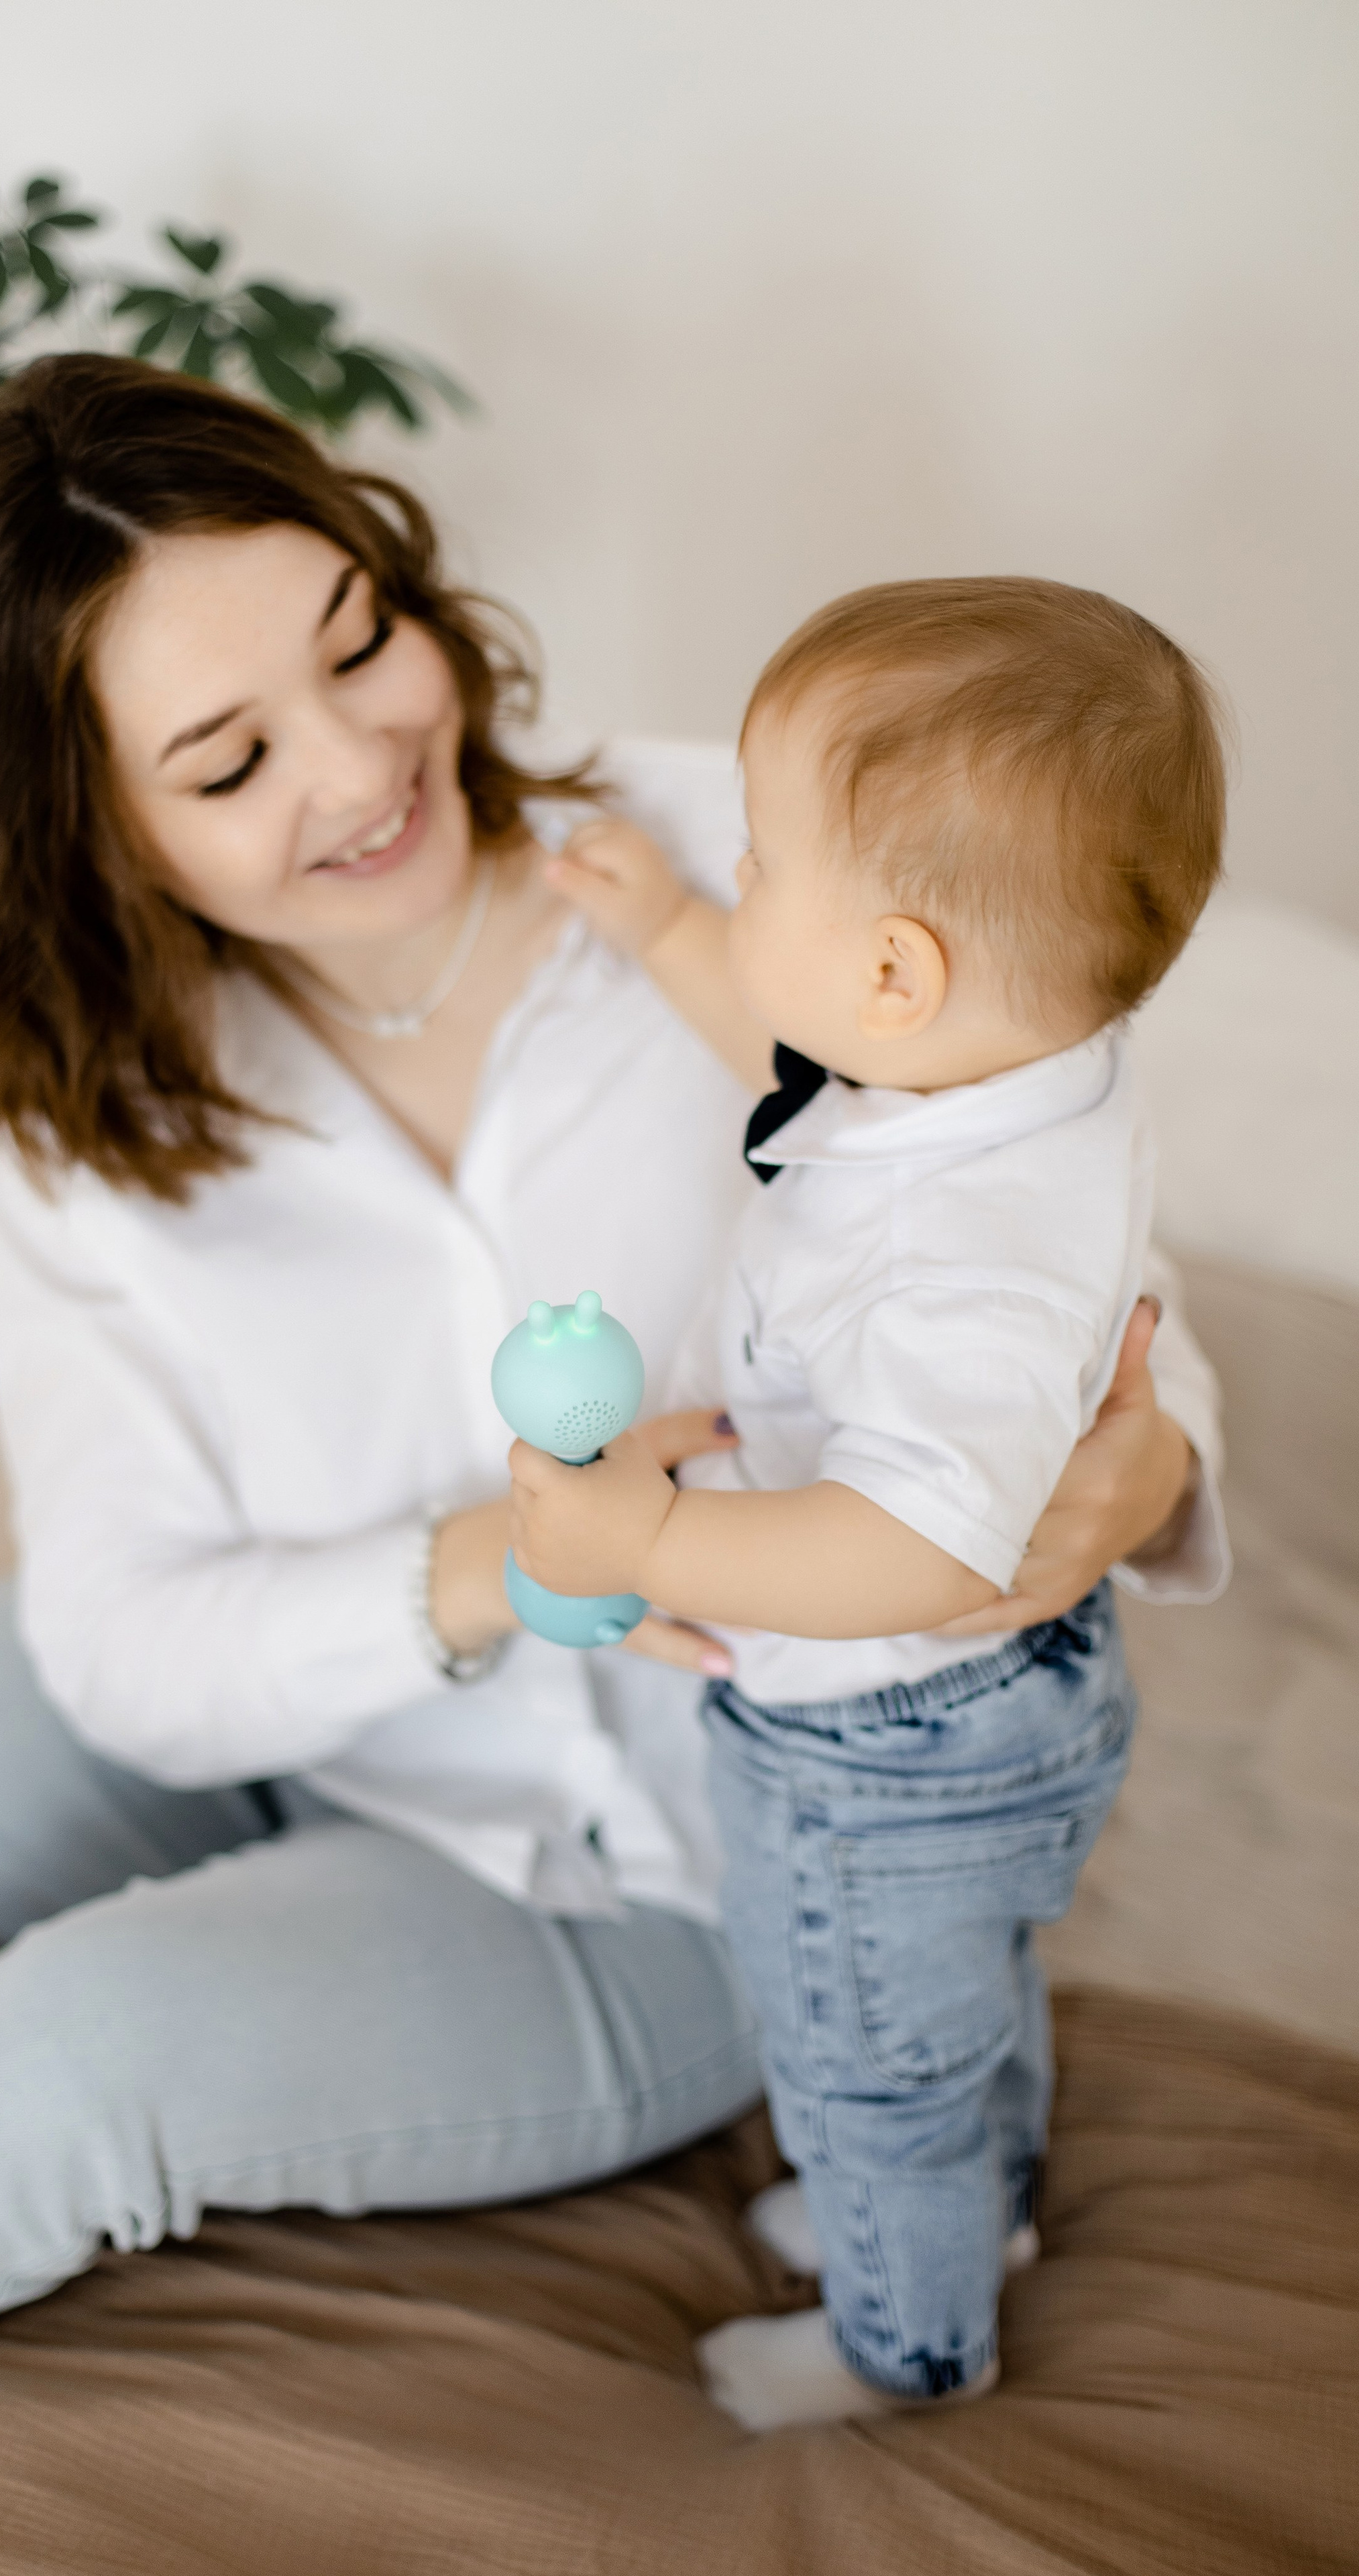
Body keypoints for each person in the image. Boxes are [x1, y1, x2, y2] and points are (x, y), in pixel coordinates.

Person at [0, 365, 1226, 2400]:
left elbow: (1090, 1288)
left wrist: (1149, 1469)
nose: (366, 767)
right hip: (279, 1687)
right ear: (91, 828)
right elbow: (128, 1651)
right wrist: (516, 1561)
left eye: (360, 642)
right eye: (226, 761)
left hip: (663, 1867)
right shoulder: (71, 1076)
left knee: (40, 2070)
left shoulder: (747, 870)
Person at [507, 576, 1228, 2428]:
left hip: (884, 1737)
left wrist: (645, 1542)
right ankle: (971, 2213)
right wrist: (677, 927)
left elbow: (915, 1546)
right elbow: (800, 1076)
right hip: (1010, 1710)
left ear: (896, 971)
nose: (738, 884)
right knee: (964, 1988)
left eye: (757, 865)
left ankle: (906, 2351)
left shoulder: (958, 1264)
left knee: (860, 2054)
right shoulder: (1017, 1079)